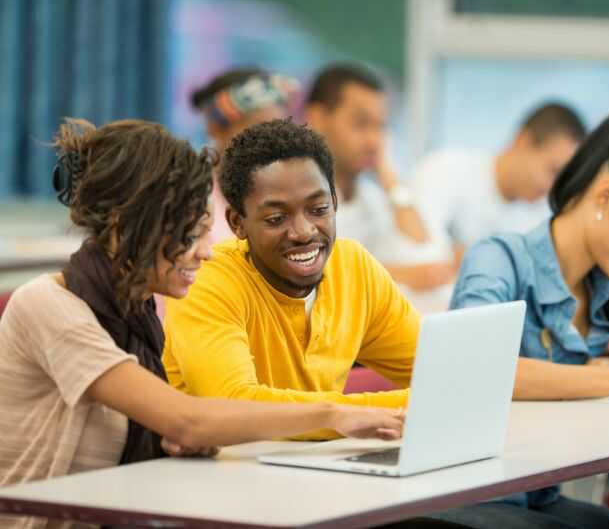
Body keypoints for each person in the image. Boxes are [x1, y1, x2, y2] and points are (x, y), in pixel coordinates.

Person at [0, 118, 405, 529]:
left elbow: (173, 431)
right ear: (131, 230)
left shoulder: (135, 318)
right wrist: (332, 413)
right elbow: (187, 421)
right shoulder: (50, 307)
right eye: (190, 235)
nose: (206, 253)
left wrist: (170, 442)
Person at [438, 111, 609, 529]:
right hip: (467, 494)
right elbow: (480, 369)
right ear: (604, 195)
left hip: (537, 495)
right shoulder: (499, 258)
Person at [162, 119, 419, 440]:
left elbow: (443, 370)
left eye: (319, 209)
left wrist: (492, 386)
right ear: (237, 223)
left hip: (317, 469)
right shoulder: (207, 280)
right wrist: (357, 414)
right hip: (220, 477)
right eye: (276, 218)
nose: (304, 232)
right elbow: (234, 403)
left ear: (335, 203)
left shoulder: (354, 267)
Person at [304, 63, 455, 294]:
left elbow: (427, 252)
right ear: (318, 118)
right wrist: (403, 275)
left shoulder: (371, 196)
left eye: (381, 127)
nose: (374, 140)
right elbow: (310, 272)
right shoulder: (295, 194)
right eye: (361, 124)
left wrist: (389, 177)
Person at [412, 102, 586, 260]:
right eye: (552, 171)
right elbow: (415, 247)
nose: (551, 189)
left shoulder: (540, 220)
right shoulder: (446, 169)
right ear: (523, 141)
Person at [190, 67, 300, 241]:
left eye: (280, 129)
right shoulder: (190, 200)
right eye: (258, 130)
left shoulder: (297, 192)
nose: (273, 141)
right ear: (215, 128)